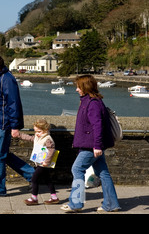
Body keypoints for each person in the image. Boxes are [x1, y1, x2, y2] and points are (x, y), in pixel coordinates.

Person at [61, 75, 121, 213]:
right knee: (103, 173)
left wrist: (98, 146)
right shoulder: (90, 101)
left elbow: (97, 126)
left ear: (85, 87)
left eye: (78, 86)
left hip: (90, 146)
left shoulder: (92, 103)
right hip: (92, 145)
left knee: (77, 169)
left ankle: (75, 204)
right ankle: (111, 204)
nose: (76, 89)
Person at [0, 55, 35, 197]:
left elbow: (14, 104)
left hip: (4, 124)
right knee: (3, 155)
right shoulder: (1, 78)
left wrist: (15, 127)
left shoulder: (7, 79)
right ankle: (34, 176)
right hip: (1, 122)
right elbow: (3, 102)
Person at [16, 119, 59, 205]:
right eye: (35, 131)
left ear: (46, 130)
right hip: (40, 162)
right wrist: (19, 135)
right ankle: (54, 197)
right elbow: (30, 138)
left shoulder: (48, 139)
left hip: (44, 164)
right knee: (48, 180)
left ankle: (34, 198)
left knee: (34, 179)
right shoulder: (38, 137)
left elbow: (51, 150)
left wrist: (46, 162)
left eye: (39, 131)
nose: (37, 134)